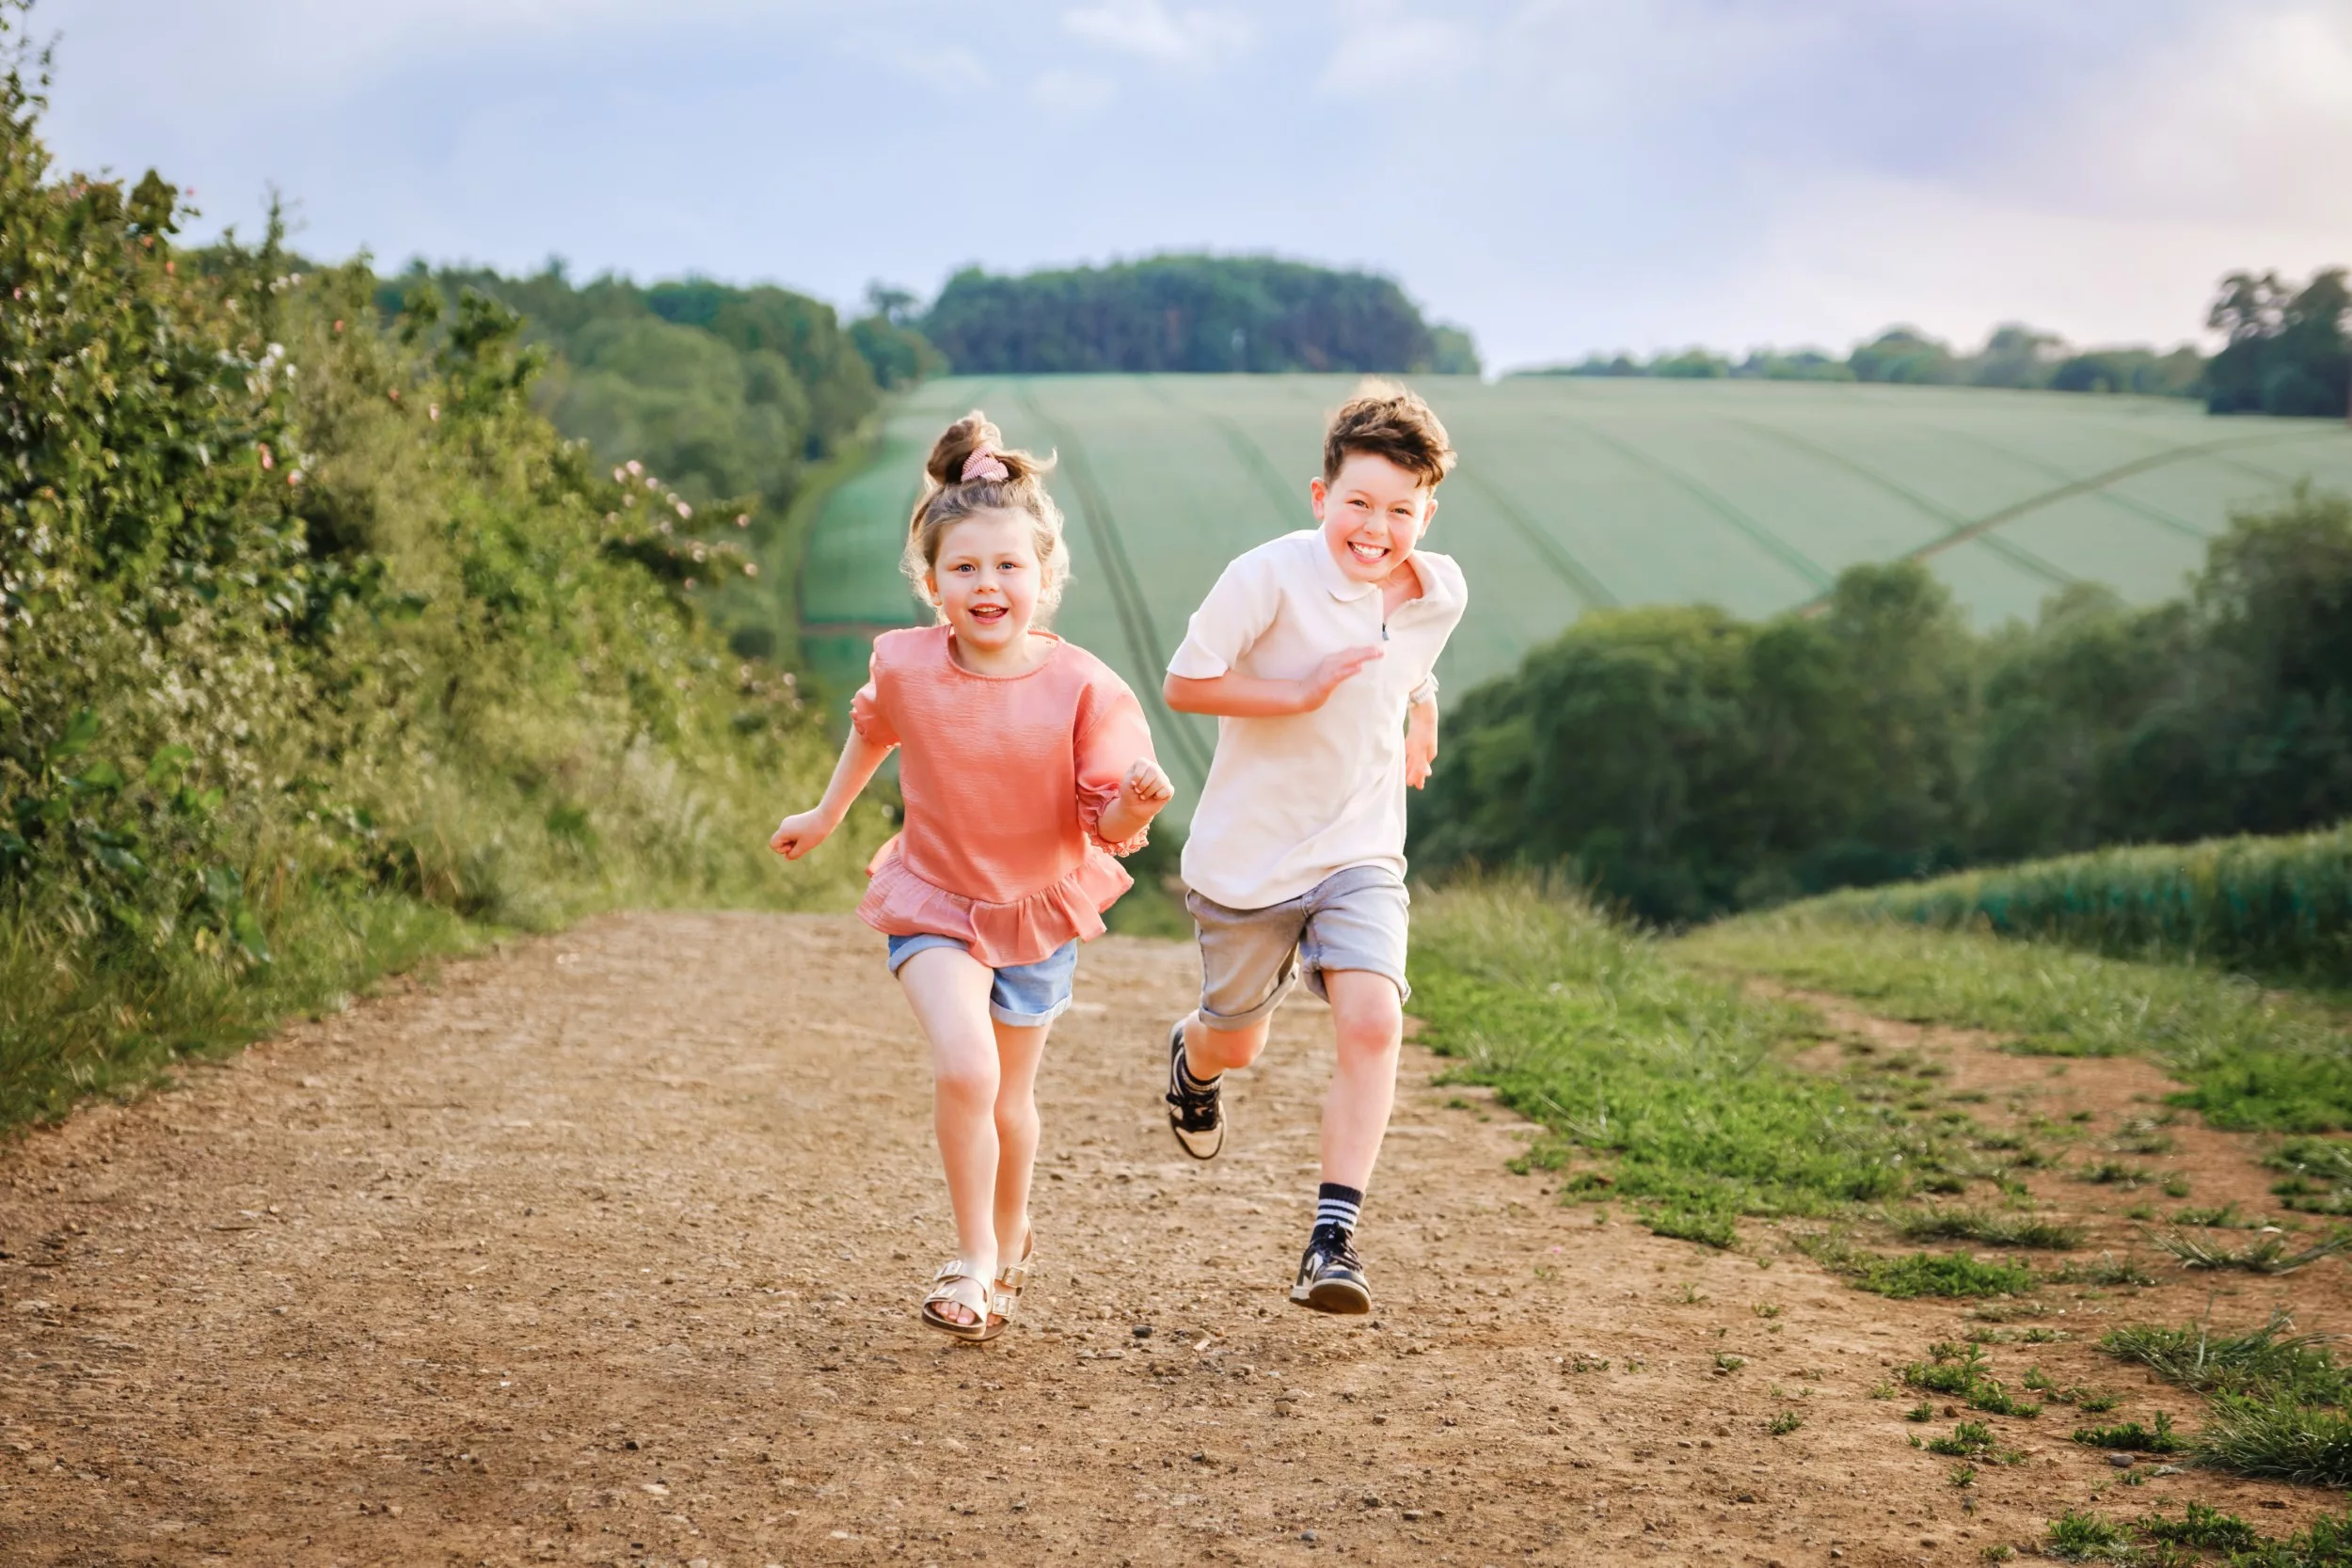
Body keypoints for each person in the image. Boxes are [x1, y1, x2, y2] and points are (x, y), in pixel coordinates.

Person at [771, 411, 1173, 1341]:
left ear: (1043, 575)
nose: (987, 584)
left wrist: (1137, 810)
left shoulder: (1085, 687)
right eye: (964, 568)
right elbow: (874, 724)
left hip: (1036, 907)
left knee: (1008, 1098)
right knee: (965, 1064)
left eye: (1007, 567)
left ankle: (1009, 1228)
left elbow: (1103, 823)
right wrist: (825, 813)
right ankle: (972, 1260)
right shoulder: (906, 664)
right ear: (931, 580)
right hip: (932, 896)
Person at [1159, 382, 1467, 1314]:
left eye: (1400, 510)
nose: (1376, 529)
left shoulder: (1439, 588)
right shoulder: (1267, 575)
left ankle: (1332, 1240)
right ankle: (1194, 1057)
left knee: (1373, 1018)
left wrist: (1422, 704)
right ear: (1319, 495)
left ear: (1427, 511)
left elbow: (1413, 653)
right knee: (1237, 1042)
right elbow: (1184, 683)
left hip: (1360, 849)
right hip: (1248, 860)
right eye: (1358, 503)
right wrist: (1296, 692)